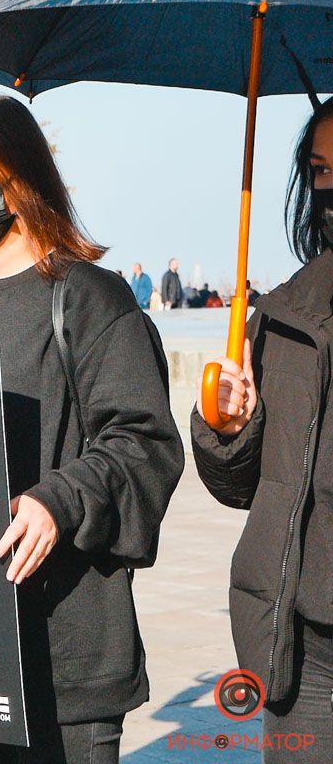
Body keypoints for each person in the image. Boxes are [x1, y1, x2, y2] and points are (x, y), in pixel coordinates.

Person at [0, 96, 182, 763]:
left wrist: (58, 501)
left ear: (20, 175)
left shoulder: (90, 297)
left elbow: (143, 442)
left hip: (63, 651)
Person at [191, 95, 333, 764]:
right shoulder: (281, 316)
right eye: (320, 170)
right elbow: (243, 487)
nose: (329, 187)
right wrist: (228, 427)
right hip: (299, 641)